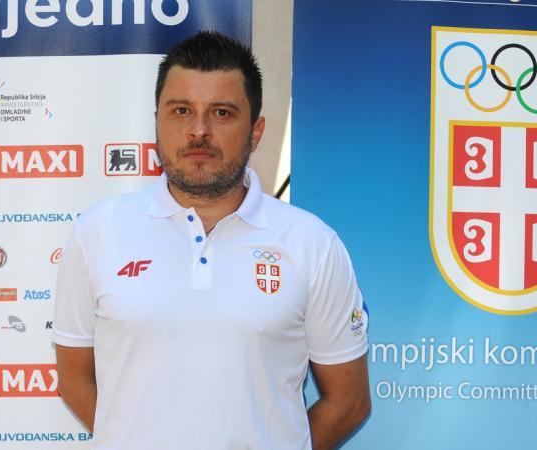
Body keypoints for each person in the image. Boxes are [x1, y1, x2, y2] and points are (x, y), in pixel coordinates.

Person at [53, 30, 370, 450]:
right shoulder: (97, 231)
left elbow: (348, 402)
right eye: (181, 111)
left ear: (255, 131)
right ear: (158, 122)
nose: (198, 131)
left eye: (221, 113)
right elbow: (74, 381)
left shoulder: (313, 243)